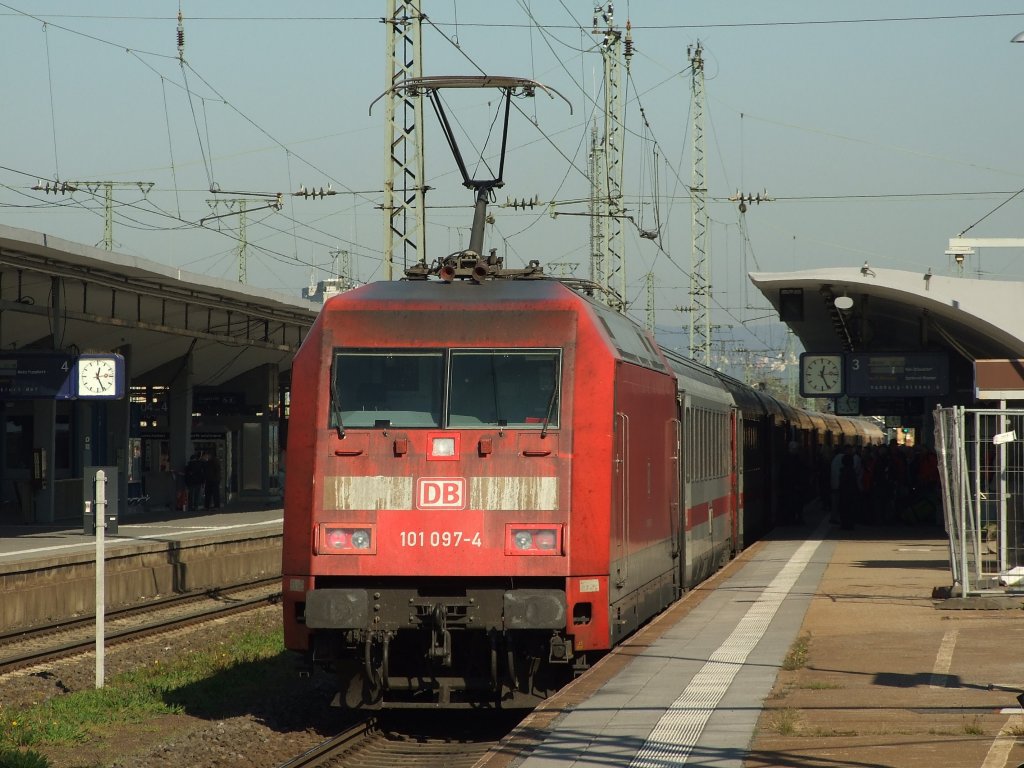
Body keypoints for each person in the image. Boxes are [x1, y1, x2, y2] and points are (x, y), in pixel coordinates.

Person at [779, 440, 806, 524]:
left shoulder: (786, 459)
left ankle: (792, 518)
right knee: (795, 503)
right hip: (793, 487)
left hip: (790, 486)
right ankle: (794, 518)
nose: (796, 451)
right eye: (796, 449)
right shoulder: (796, 459)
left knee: (792, 503)